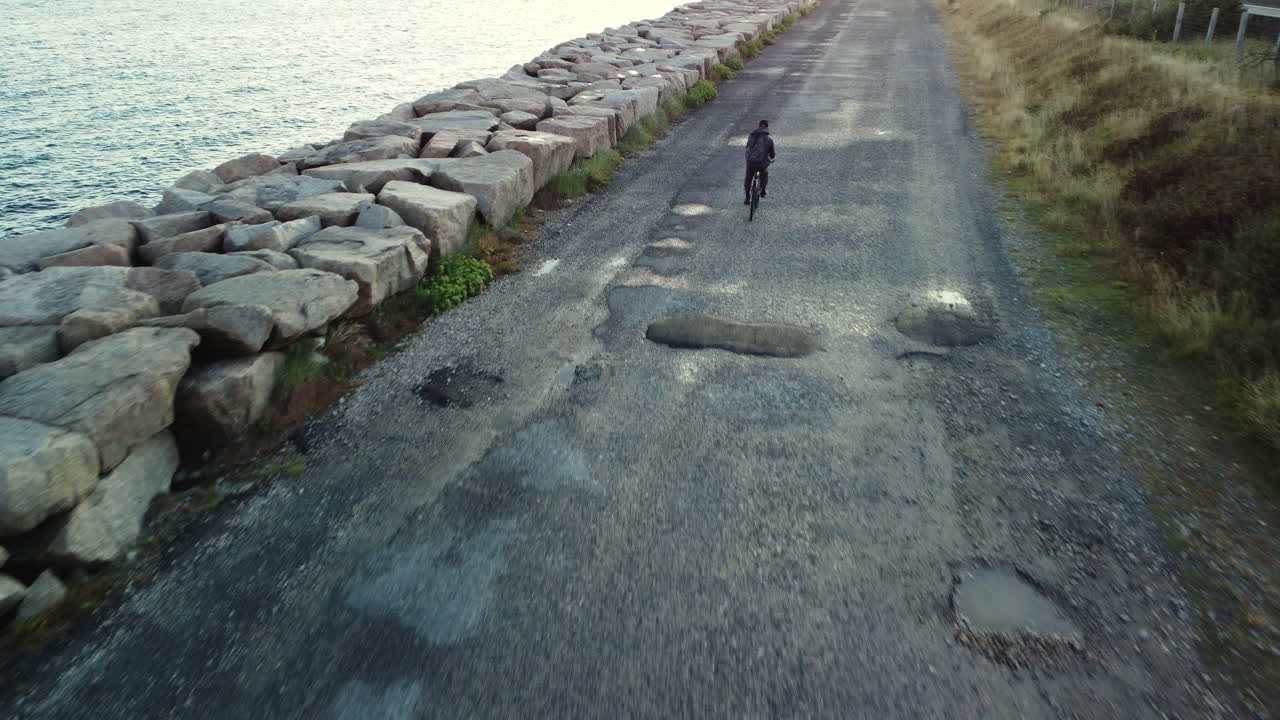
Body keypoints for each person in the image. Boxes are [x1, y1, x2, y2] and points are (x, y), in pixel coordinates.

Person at [744, 120, 775, 205]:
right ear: (767, 127)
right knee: (764, 174)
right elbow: (772, 155)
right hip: (761, 164)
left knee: (748, 177)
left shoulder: (751, 137)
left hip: (750, 163)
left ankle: (747, 197)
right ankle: (763, 191)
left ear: (759, 126)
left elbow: (747, 149)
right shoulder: (769, 140)